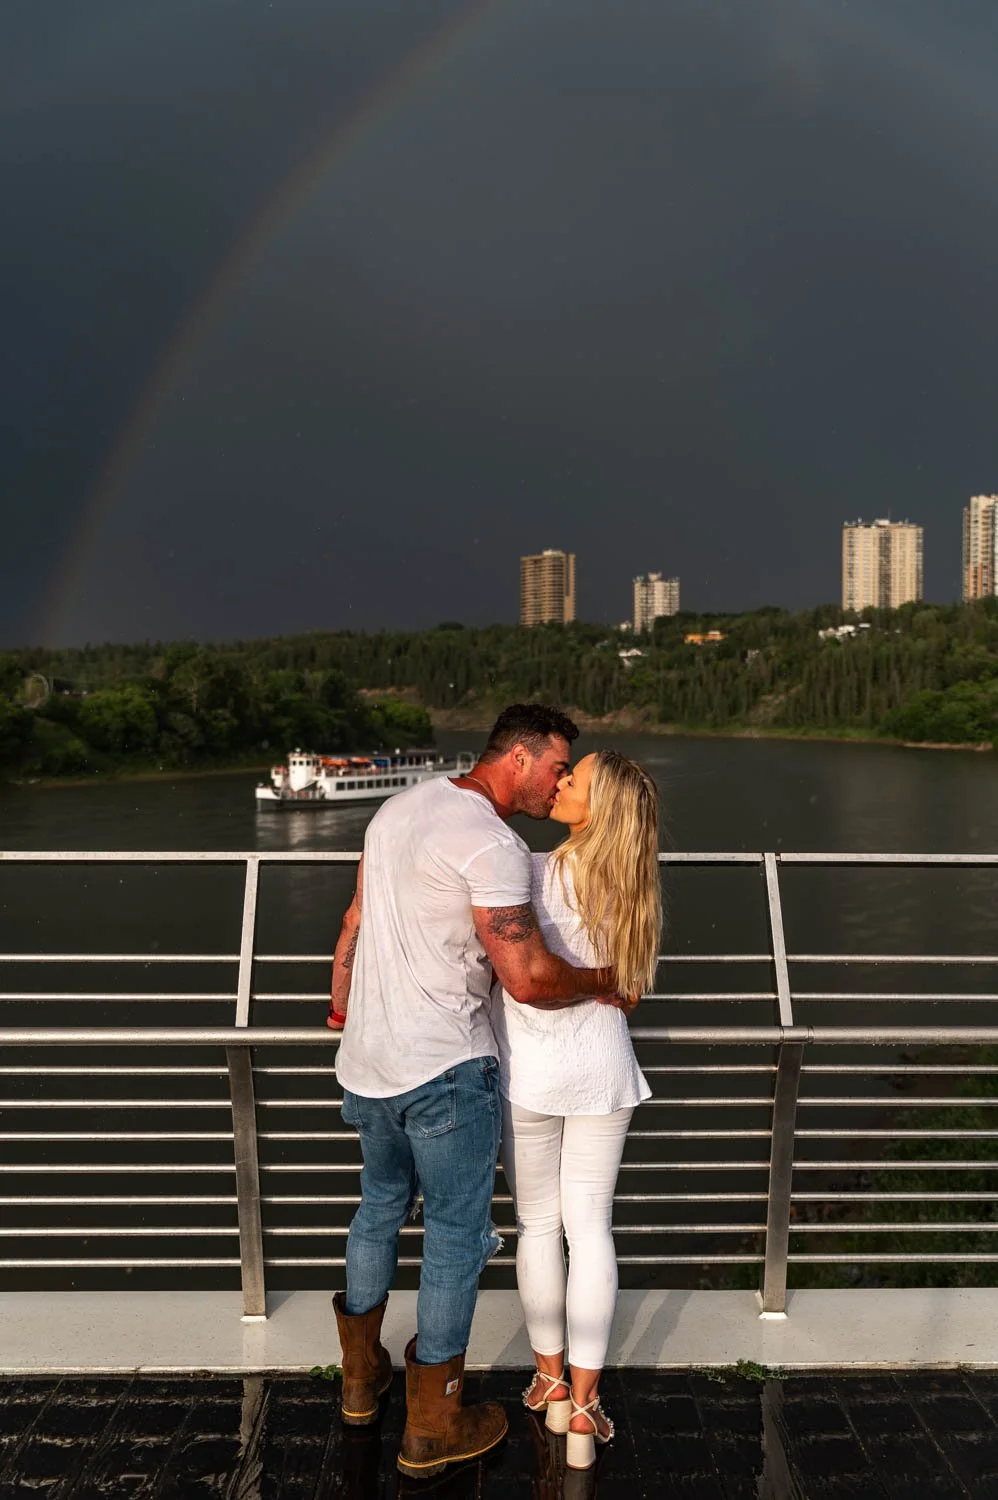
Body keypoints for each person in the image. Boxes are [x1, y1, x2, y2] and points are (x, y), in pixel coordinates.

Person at [327, 705, 628, 1482]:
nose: (560, 780)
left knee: (378, 1209)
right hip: (444, 1071)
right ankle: (433, 1426)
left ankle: (362, 1386)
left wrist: (342, 1005)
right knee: (457, 1236)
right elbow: (527, 980)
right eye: (558, 766)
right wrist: (605, 980)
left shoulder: (398, 808)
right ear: (520, 757)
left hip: (365, 1062)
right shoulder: (491, 842)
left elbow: (353, 924)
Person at [491, 749, 660, 1472]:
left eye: (574, 780)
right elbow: (629, 987)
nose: (559, 783)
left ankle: (550, 1382)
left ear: (598, 806)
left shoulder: (526, 872)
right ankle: (586, 1411)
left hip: (531, 1074)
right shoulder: (632, 884)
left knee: (537, 1225)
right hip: (603, 1072)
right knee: (592, 1231)